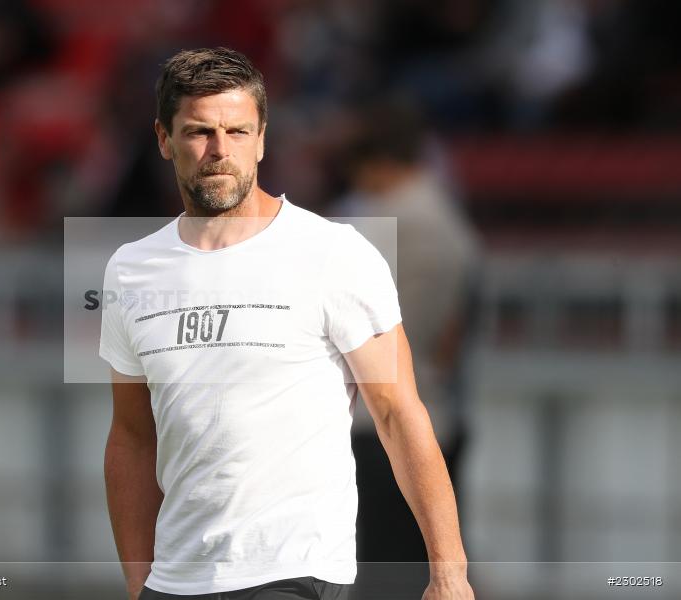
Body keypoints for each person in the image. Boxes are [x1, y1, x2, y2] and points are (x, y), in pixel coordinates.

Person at [99, 47, 474, 600]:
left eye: (238, 131)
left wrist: (449, 572)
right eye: (200, 131)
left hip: (291, 570)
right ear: (163, 139)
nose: (219, 151)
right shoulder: (132, 270)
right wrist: (140, 582)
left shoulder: (332, 253)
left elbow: (398, 412)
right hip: (176, 578)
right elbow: (131, 436)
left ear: (263, 138)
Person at [333, 98, 481, 597]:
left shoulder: (392, 222)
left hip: (388, 424)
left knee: (386, 576)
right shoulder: (441, 212)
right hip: (432, 412)